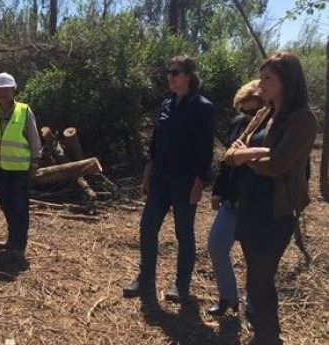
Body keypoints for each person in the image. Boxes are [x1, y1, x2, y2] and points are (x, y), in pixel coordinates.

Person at [224, 51, 318, 345]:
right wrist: (254, 153)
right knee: (255, 280)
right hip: (251, 207)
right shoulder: (265, 113)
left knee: (261, 282)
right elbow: (229, 156)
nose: (261, 83)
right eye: (261, 76)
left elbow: (278, 165)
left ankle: (267, 338)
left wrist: (245, 156)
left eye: (268, 77)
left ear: (287, 81)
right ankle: (265, 336)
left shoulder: (302, 119)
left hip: (275, 213)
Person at [123, 55, 215, 302]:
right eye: (169, 72)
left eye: (176, 72)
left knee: (183, 233)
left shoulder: (203, 107)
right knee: (147, 227)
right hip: (161, 179)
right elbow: (155, 144)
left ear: (189, 76)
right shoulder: (166, 104)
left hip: (186, 181)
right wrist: (147, 174)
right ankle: (145, 280)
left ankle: (181, 286)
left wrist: (199, 183)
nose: (171, 76)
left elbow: (206, 149)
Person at [207, 80, 264, 316]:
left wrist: (244, 156)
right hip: (231, 201)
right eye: (243, 111)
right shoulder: (238, 124)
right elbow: (228, 162)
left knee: (255, 258)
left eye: (252, 111)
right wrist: (219, 190)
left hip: (256, 204)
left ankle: (253, 307)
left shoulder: (273, 129)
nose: (247, 117)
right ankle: (228, 297)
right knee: (216, 246)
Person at [0, 72, 42, 260]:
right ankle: (11, 240)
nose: (3, 92)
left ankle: (19, 246)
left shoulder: (24, 110)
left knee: (20, 208)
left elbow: (34, 137)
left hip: (19, 170)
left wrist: (35, 161)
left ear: (14, 90)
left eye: (7, 89)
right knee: (6, 206)